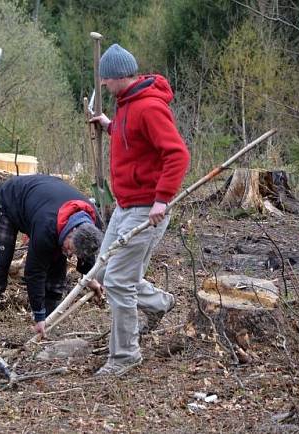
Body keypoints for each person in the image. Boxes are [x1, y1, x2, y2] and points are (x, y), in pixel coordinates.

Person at [90, 44, 190, 376]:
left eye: (105, 80)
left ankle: (124, 357)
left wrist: (162, 199)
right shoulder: (126, 105)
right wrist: (108, 124)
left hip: (146, 211)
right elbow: (130, 139)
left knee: (118, 282)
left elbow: (177, 155)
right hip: (124, 207)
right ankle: (161, 303)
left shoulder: (148, 107)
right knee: (102, 272)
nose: (102, 86)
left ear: (118, 77)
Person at [0, 174, 105, 345]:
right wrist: (38, 316)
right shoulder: (46, 227)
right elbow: (34, 273)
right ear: (71, 232)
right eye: (70, 249)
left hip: (44, 204)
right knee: (1, 264)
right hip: (9, 201)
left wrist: (89, 278)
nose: (70, 254)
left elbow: (86, 253)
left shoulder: (94, 225)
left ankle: (50, 322)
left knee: (58, 260)